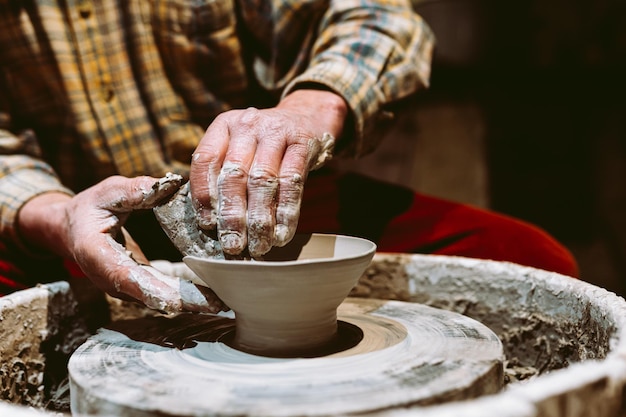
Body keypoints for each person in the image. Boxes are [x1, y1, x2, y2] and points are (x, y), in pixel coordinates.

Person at [0, 0, 578, 313]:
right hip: (78, 223)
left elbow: (373, 15)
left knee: (530, 263)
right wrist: (56, 215)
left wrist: (308, 110)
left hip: (267, 205)